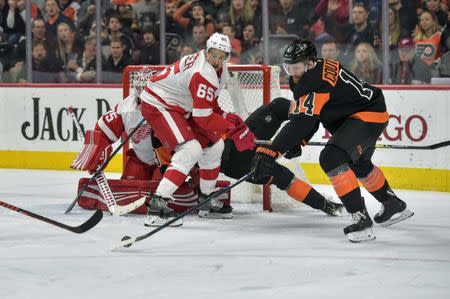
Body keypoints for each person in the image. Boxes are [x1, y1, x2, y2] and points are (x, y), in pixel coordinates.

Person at [252, 39, 414, 243]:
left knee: (332, 157)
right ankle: (392, 204)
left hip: (366, 115)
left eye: (297, 67)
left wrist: (272, 151)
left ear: (310, 63)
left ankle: (361, 219)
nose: (293, 72)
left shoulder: (314, 81)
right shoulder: (315, 70)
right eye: (289, 67)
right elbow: (312, 116)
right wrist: (300, 141)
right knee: (359, 164)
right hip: (365, 112)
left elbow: (302, 121)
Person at [139, 32, 255, 226]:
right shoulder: (203, 73)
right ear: (207, 51)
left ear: (227, 56)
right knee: (190, 150)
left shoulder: (219, 69)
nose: (217, 60)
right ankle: (157, 205)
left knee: (215, 146)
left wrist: (227, 118)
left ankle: (205, 199)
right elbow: (203, 117)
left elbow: (209, 105)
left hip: (182, 106)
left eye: (221, 56)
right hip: (160, 104)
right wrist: (230, 130)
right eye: (213, 55)